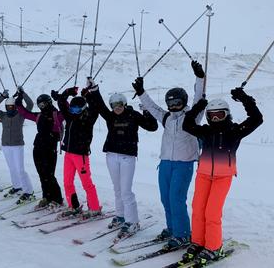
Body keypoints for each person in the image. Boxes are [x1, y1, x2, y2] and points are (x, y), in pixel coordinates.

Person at [179, 88, 262, 264]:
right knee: (198, 209)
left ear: (227, 115)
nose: (216, 118)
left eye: (220, 115)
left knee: (212, 212)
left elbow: (257, 119)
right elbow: (187, 125)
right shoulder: (205, 131)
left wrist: (244, 98)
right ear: (208, 117)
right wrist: (197, 108)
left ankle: (213, 247)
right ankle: (198, 242)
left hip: (223, 177)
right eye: (212, 115)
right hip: (203, 175)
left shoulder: (235, 131)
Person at [131, 61, 205, 249]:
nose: (173, 106)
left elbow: (199, 98)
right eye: (170, 103)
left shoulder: (193, 116)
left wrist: (200, 77)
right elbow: (153, 108)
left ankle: (183, 234)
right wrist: (141, 92)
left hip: (183, 164)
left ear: (184, 102)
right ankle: (172, 229)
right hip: (165, 164)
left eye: (177, 103)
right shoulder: (166, 118)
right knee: (165, 198)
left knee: (176, 199)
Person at [88, 79, 158, 236]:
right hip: (112, 155)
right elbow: (99, 105)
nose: (117, 108)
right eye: (114, 105)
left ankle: (132, 221)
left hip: (127, 157)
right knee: (117, 189)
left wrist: (146, 111)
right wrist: (94, 89)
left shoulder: (133, 115)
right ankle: (120, 216)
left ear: (124, 104)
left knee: (126, 191)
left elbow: (152, 127)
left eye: (119, 105)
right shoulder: (110, 116)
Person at [50, 84, 101, 219]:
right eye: (72, 108)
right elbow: (61, 102)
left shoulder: (88, 118)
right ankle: (74, 206)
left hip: (81, 155)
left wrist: (88, 95)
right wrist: (68, 92)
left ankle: (95, 208)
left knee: (86, 183)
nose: (74, 111)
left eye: (77, 109)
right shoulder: (70, 116)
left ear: (83, 108)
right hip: (69, 154)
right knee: (67, 181)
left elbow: (95, 108)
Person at [16, 90, 64, 209]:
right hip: (38, 147)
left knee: (49, 174)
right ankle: (46, 197)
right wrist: (18, 101)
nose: (41, 107)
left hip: (50, 148)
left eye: (43, 104)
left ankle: (57, 199)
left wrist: (61, 99)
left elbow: (67, 112)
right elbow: (25, 113)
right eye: (39, 105)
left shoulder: (56, 115)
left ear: (48, 103)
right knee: (42, 174)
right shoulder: (39, 116)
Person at [0, 88, 35, 204]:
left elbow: (30, 104)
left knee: (20, 169)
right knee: (12, 168)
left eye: (12, 106)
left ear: (15, 106)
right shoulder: (3, 115)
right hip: (6, 145)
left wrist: (23, 93)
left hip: (17, 145)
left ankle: (29, 191)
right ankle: (17, 186)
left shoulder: (21, 114)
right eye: (8, 106)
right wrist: (3, 96)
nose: (10, 108)